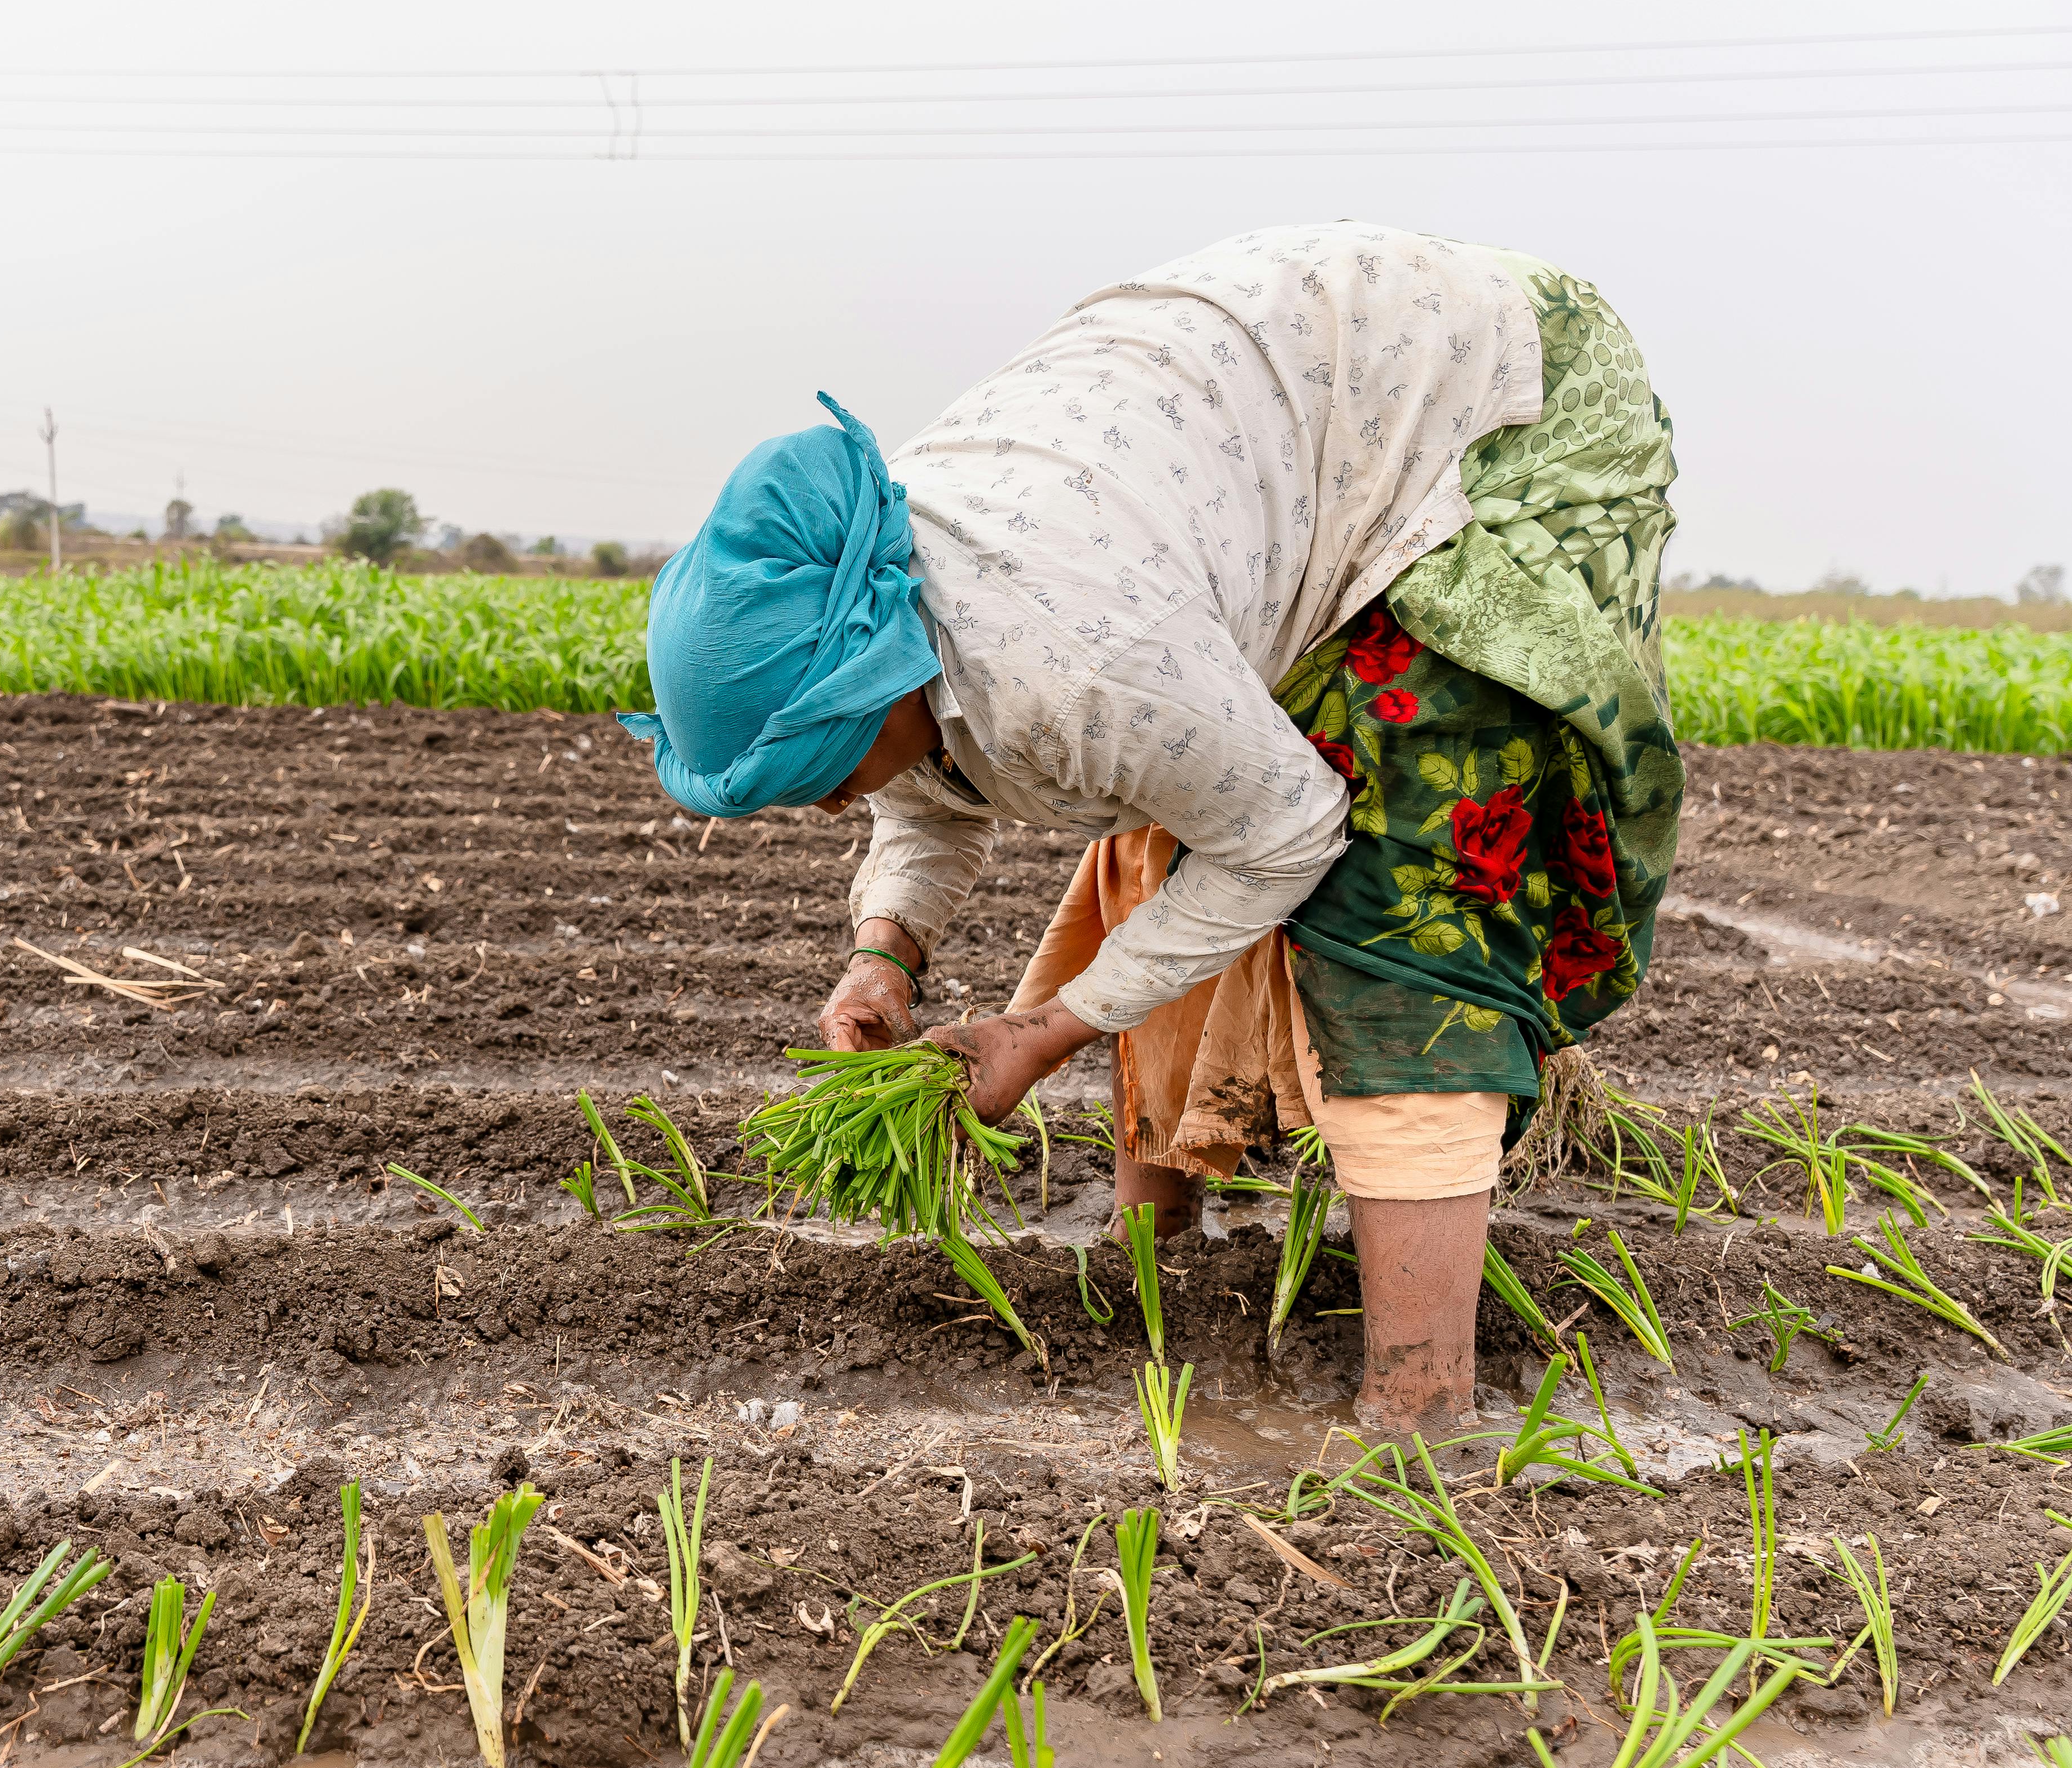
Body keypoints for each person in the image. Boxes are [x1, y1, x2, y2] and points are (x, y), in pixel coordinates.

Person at [621, 223, 1680, 1434]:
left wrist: (1046, 1028)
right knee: (1177, 798)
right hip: (1277, 411)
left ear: (880, 675)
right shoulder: (902, 606)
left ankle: (1420, 1399)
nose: (820, 807)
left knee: (1406, 899)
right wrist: (887, 949)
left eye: (819, 774)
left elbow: (1283, 832)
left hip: (1487, 401)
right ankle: (1159, 1258)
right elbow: (926, 774)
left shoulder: (1075, 659)